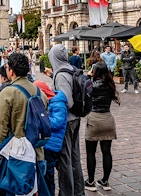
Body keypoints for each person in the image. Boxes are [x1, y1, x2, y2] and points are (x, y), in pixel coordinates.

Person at [0, 52, 49, 196]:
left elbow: (1, 127)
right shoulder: (39, 91)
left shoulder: (8, 92)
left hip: (17, 157)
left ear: (11, 71)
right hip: (38, 153)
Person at [49, 43, 85, 196]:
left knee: (65, 160)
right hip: (75, 119)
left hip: (67, 121)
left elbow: (67, 101)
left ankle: (66, 192)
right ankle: (79, 191)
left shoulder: (61, 74)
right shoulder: (69, 68)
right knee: (75, 157)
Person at [83, 61, 119, 191]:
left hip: (94, 119)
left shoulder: (91, 84)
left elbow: (83, 89)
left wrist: (87, 77)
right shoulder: (110, 84)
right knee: (106, 152)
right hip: (108, 119)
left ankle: (91, 181)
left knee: (91, 152)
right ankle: (105, 181)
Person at [33, 79, 67, 196]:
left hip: (51, 145)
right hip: (47, 143)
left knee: (48, 175)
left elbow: (58, 122)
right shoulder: (52, 102)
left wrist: (42, 118)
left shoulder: (58, 103)